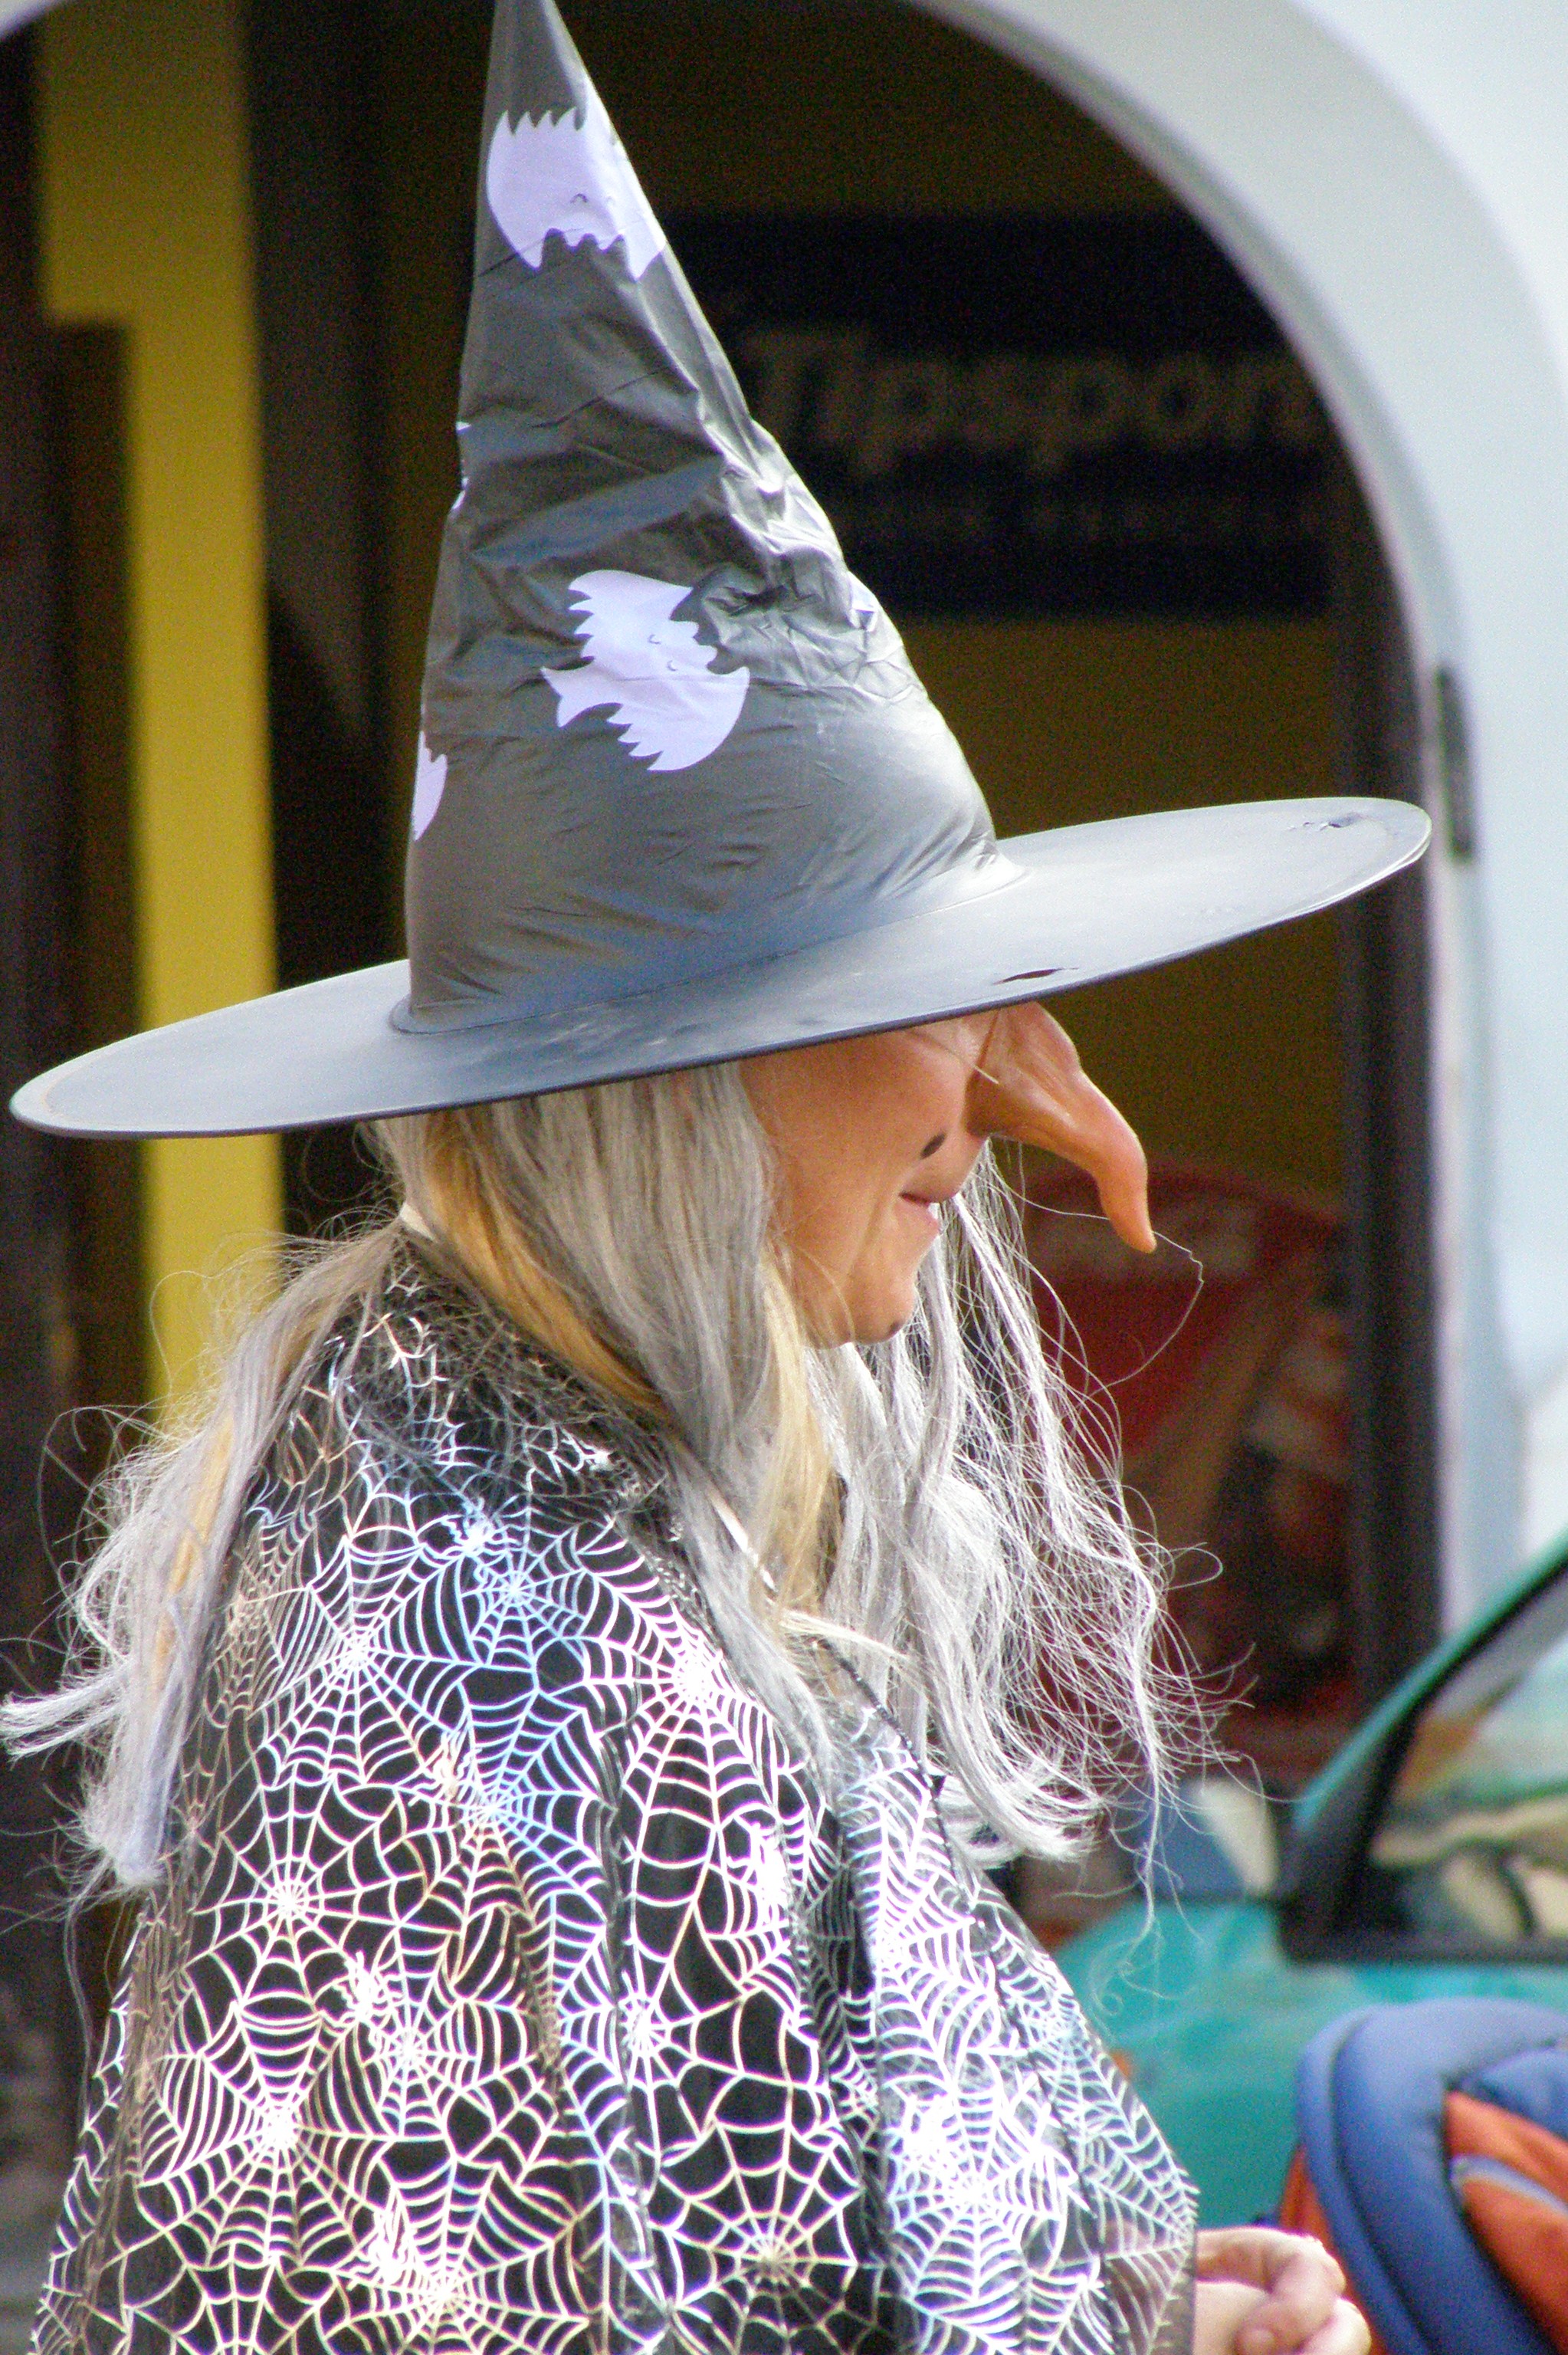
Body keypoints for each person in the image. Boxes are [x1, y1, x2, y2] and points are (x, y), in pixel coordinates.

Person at [9, 1, 1424, 2345]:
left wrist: (1145, 2307)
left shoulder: (557, 1500)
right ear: (697, 1087)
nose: (1015, 1094)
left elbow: (793, 2231)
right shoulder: (500, 1627)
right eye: (938, 999)